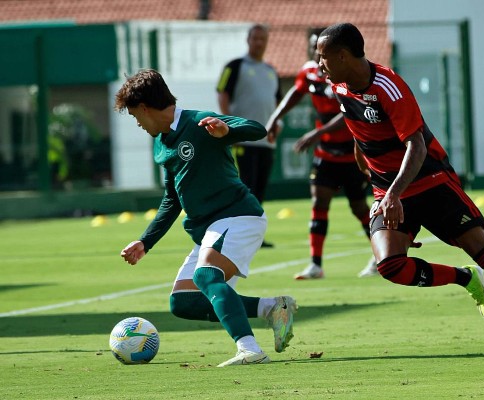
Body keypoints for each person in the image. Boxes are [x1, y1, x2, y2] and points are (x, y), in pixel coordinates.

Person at [314, 23, 484, 350]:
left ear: (343, 55)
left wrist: (393, 193)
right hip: (387, 190)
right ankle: (464, 278)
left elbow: (417, 147)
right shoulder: (339, 87)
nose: (318, 64)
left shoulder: (389, 88)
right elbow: (359, 131)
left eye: (322, 57)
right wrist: (371, 173)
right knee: (390, 266)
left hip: (429, 181)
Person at [114, 69, 297, 367]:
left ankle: (249, 348)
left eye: (136, 115)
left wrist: (227, 131)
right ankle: (273, 309)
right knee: (183, 302)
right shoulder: (161, 143)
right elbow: (172, 198)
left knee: (205, 275)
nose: (137, 122)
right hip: (209, 229)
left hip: (239, 216)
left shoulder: (199, 121)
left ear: (146, 109)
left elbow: (257, 129)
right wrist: (145, 241)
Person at [265, 28, 377, 279]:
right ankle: (315, 264)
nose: (318, 55)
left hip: (352, 153)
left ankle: (381, 255)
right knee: (319, 203)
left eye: (323, 50)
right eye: (315, 48)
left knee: (360, 208)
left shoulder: (342, 76)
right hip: (326, 154)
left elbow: (348, 110)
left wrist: (316, 133)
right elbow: (296, 92)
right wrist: (274, 118)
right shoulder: (310, 73)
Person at [217, 24, 282, 247]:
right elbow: (222, 92)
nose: (259, 42)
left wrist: (277, 124)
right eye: (255, 38)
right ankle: (234, 234)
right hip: (243, 139)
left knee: (259, 190)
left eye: (262, 38)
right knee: (244, 187)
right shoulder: (235, 66)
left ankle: (254, 235)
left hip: (266, 141)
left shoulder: (271, 71)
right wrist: (229, 126)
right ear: (248, 40)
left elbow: (276, 102)